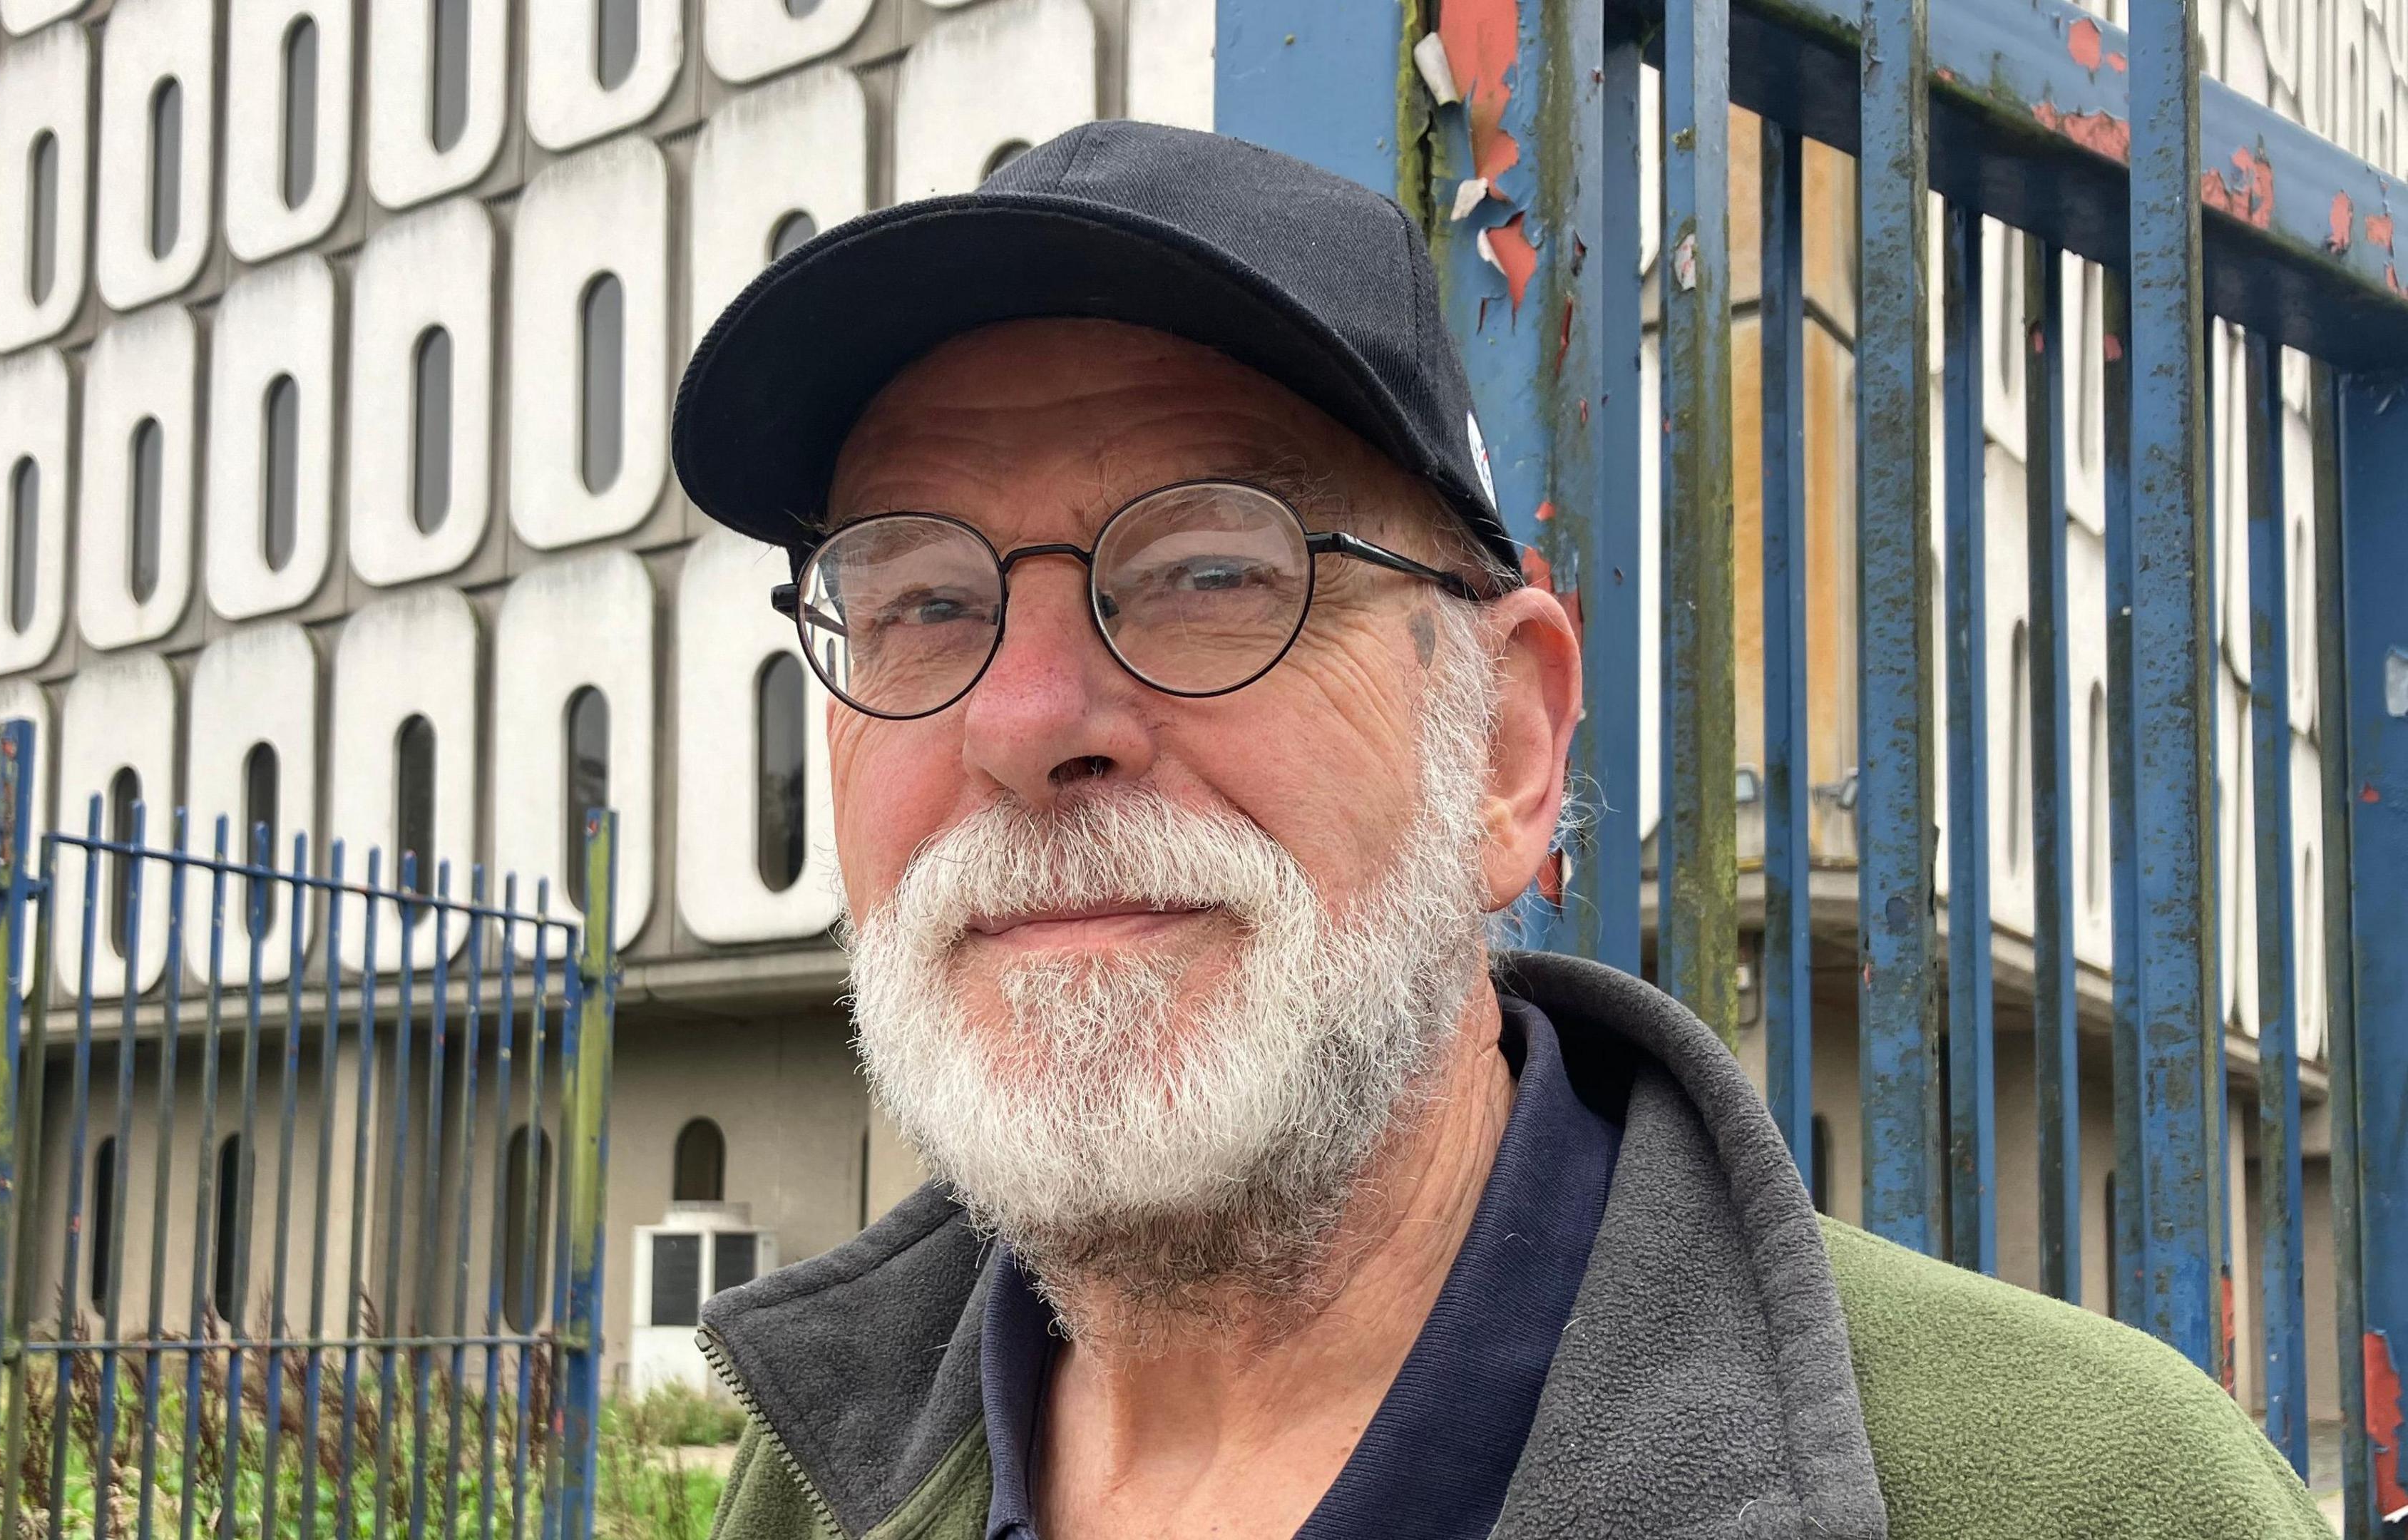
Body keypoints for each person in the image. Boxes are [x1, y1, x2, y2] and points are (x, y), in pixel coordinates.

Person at [667, 120, 2325, 1540]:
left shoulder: (2072, 1496)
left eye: (1209, 574)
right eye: (925, 603)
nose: (1024, 724)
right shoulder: (817, 1477)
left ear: (1508, 751)